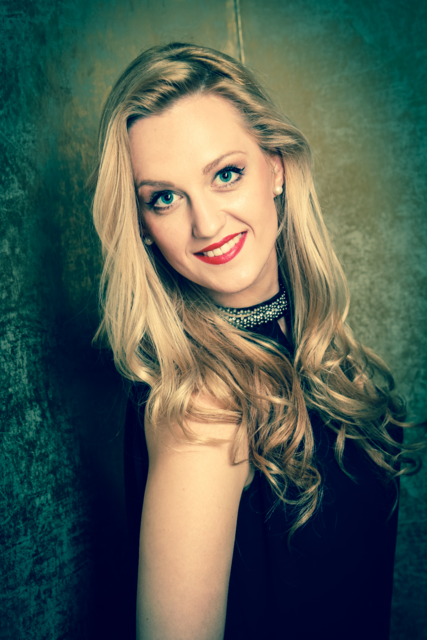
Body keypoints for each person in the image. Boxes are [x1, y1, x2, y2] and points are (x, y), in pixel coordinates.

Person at [90, 42, 423, 640]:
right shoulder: (203, 406)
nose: (207, 224)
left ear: (276, 168)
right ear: (142, 227)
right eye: (165, 198)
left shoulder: (306, 341)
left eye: (226, 174)